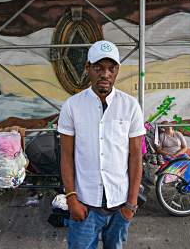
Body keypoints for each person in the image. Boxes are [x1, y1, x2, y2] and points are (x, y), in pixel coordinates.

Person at [58, 40, 145, 249]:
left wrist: (131, 205)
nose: (105, 74)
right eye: (98, 68)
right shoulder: (72, 106)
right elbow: (66, 156)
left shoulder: (130, 106)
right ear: (88, 68)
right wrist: (71, 199)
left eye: (111, 68)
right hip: (85, 204)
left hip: (120, 205)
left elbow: (135, 157)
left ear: (117, 71)